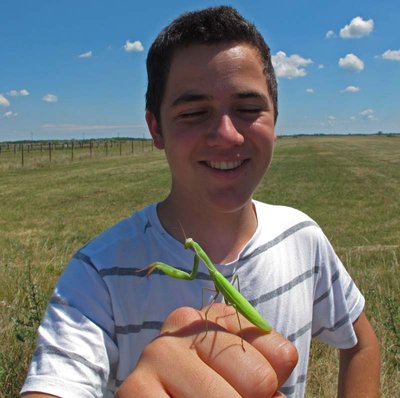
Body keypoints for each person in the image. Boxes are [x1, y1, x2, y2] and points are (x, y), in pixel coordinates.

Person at [21, 6, 380, 398]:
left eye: (247, 109)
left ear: (276, 119)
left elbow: (362, 342)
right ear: (156, 129)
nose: (226, 135)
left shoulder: (305, 240)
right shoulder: (95, 279)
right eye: (193, 112)